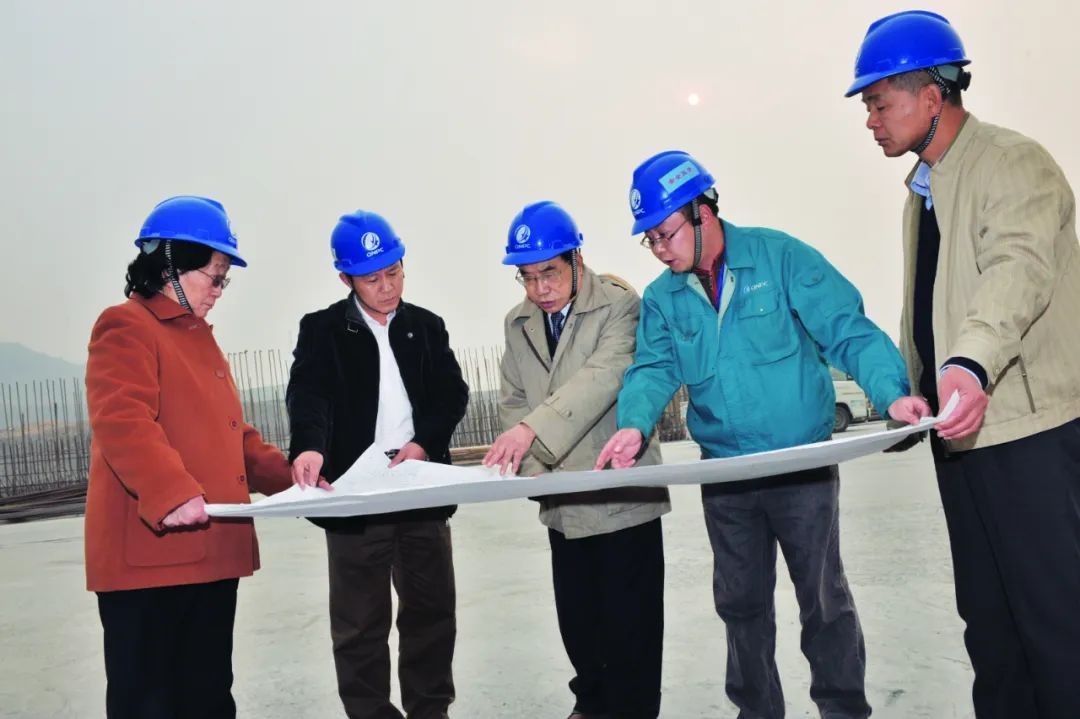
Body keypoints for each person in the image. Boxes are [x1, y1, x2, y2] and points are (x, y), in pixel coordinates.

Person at [595, 151, 921, 719]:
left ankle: (844, 709)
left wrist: (891, 392)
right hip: (727, 475)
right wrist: (633, 423)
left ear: (703, 212)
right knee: (740, 605)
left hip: (801, 468)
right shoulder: (664, 299)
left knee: (823, 599)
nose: (659, 249)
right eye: (649, 240)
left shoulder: (780, 257)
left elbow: (846, 329)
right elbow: (652, 368)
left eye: (665, 234)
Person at [845, 11, 1080, 717]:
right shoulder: (925, 189)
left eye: (879, 103)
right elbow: (931, 306)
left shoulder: (1012, 163)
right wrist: (910, 388)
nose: (870, 121)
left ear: (931, 95)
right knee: (990, 627)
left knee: (1056, 625)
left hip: (1029, 434)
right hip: (964, 437)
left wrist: (971, 364)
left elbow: (1017, 269)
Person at [85, 195, 295, 718]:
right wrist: (171, 492)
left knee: (208, 700)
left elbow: (231, 435)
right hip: (150, 562)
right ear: (170, 266)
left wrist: (293, 478)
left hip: (209, 554)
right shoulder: (126, 326)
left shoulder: (197, 339)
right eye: (214, 277)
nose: (220, 291)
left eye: (225, 280)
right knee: (149, 704)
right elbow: (122, 418)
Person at [483, 201, 670, 719]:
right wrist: (535, 472)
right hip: (562, 503)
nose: (539, 288)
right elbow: (512, 401)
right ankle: (589, 706)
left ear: (576, 260)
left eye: (549, 272)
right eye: (527, 277)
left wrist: (531, 433)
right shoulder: (518, 323)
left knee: (632, 629)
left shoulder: (619, 304)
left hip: (620, 497)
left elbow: (602, 379)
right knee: (580, 623)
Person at [286, 209, 469, 719]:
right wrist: (310, 446)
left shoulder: (426, 327)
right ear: (346, 279)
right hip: (356, 496)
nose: (387, 287)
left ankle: (431, 711)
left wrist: (424, 444)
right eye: (372, 278)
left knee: (432, 615)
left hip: (419, 490)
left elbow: (451, 395)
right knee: (359, 625)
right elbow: (309, 394)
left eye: (394, 272)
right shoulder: (323, 330)